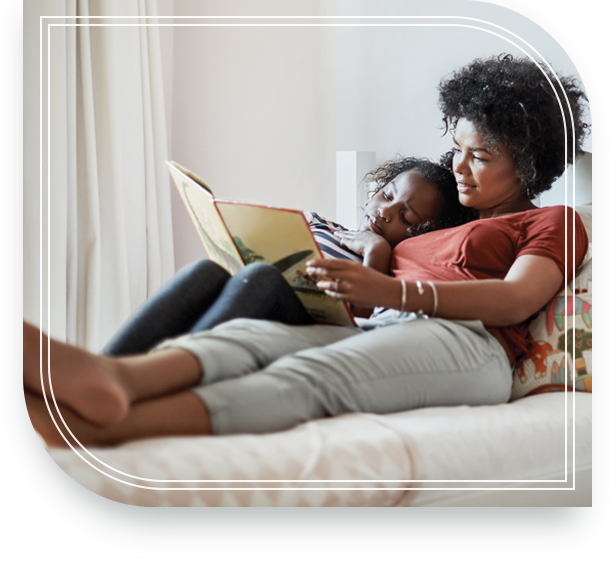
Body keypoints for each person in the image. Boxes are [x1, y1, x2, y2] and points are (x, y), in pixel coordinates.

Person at [24, 54, 590, 449]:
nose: (459, 167)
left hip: (470, 346)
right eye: (457, 149)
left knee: (312, 376)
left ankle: (104, 431)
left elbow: (518, 300)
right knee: (251, 338)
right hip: (388, 326)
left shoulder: (552, 221)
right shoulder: (438, 223)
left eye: (482, 156)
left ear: (530, 162)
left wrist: (393, 289)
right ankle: (111, 380)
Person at [102, 156, 473, 356]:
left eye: (406, 218)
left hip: (308, 319)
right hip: (255, 288)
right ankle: (110, 365)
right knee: (205, 271)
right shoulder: (324, 224)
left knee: (264, 277)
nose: (385, 212)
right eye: (387, 196)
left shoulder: (388, 266)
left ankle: (163, 370)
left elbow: (362, 319)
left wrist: (375, 250)